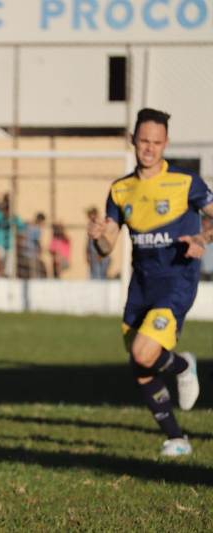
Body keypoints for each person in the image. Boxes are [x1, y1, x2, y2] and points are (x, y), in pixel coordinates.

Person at [88, 107, 213, 456]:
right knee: (140, 365)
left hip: (176, 281)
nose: (149, 148)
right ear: (133, 141)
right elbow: (106, 246)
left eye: (156, 142)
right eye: (144, 140)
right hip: (141, 285)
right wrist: (98, 236)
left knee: (146, 351)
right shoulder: (120, 190)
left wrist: (203, 238)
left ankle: (184, 365)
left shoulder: (187, 183)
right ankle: (176, 437)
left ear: (166, 143)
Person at [0, 192, 25, 276]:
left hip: (10, 248)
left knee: (9, 273)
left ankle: (3, 274)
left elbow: (22, 229)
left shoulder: (15, 218)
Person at [85, 207, 111, 279]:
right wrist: (87, 254)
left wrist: (100, 254)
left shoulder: (101, 225)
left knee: (101, 276)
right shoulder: (91, 226)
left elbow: (105, 241)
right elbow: (88, 243)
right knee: (95, 276)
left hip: (101, 254)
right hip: (94, 255)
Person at [201, 215, 213, 282]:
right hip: (201, 272)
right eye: (204, 220)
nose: (206, 223)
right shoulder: (196, 234)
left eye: (208, 221)